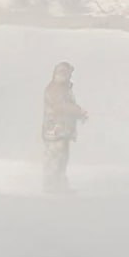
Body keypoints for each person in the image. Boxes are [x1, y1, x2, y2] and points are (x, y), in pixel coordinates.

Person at [41, 61, 88, 194]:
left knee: (61, 160)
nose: (70, 76)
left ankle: (59, 186)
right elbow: (60, 106)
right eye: (68, 73)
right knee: (55, 159)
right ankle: (51, 188)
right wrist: (78, 111)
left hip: (62, 131)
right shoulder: (55, 88)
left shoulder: (63, 88)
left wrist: (78, 113)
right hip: (55, 131)